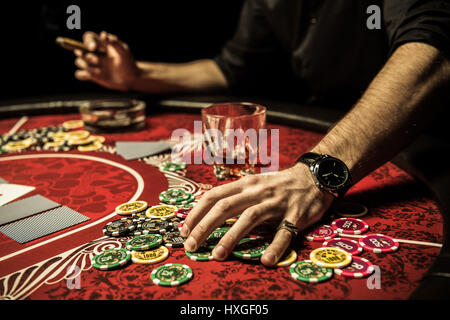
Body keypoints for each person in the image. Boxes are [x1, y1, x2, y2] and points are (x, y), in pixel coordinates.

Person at [73, 0, 450, 266]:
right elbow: (234, 68)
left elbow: (434, 50)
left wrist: (315, 174)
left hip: (423, 152)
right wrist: (137, 75)